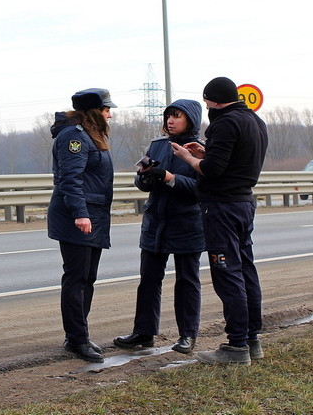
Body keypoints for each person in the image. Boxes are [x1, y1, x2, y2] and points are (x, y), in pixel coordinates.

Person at [171, 76, 268, 365]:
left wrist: (189, 157)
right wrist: (206, 151)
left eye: (206, 102)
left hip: (222, 207)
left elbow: (212, 170)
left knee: (227, 273)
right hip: (243, 202)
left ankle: (235, 345)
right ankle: (252, 339)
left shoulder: (224, 123)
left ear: (212, 101)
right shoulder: (254, 121)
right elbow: (231, 160)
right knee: (246, 270)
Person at [114, 99, 205, 354]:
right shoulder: (157, 146)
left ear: (191, 120)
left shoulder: (200, 150)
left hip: (188, 222)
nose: (171, 121)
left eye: (177, 116)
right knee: (149, 279)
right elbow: (142, 183)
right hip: (156, 221)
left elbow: (201, 189)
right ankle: (144, 332)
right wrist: (145, 177)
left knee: (187, 280)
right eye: (168, 116)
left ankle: (187, 335)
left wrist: (169, 178)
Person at [47, 87, 116, 363]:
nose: (110, 114)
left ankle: (78, 334)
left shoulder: (90, 135)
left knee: (87, 278)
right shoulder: (73, 137)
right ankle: (77, 339)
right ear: (93, 111)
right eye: (106, 109)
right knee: (76, 279)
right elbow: (70, 178)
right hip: (77, 217)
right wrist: (80, 213)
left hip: (93, 215)